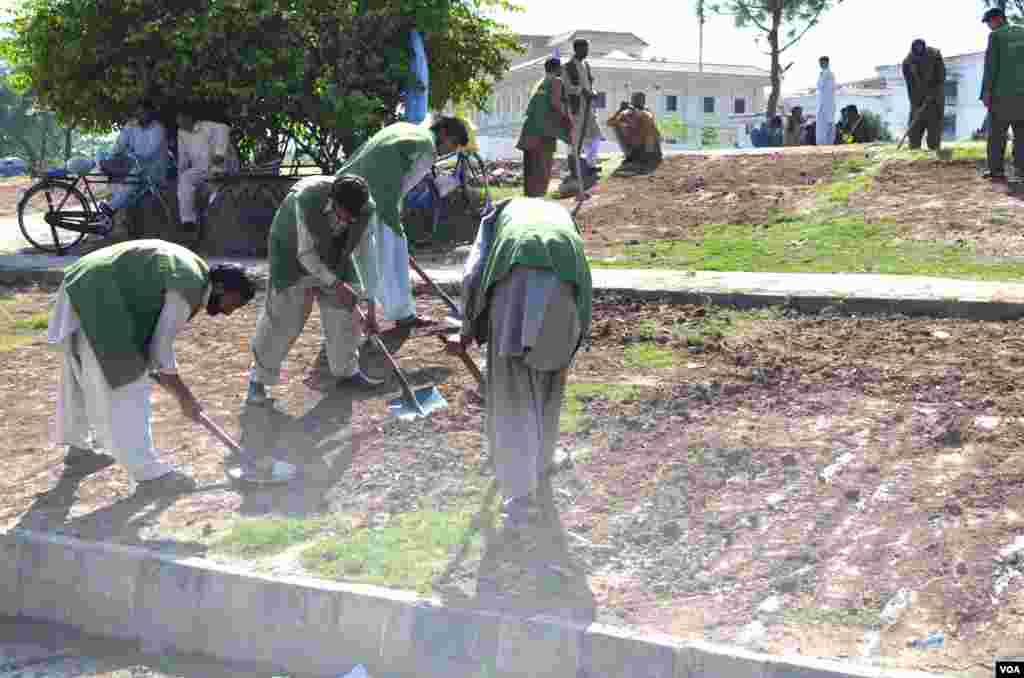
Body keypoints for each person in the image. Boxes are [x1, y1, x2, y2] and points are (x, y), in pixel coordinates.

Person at [47, 240, 256, 492]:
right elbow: (160, 350)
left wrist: (159, 370)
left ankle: (79, 449)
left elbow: (151, 344)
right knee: (129, 387)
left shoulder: (192, 272)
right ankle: (149, 476)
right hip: (100, 297)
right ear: (221, 287)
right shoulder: (187, 287)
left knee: (80, 374)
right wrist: (185, 398)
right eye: (235, 302)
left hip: (84, 283)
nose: (230, 312)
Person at [449, 197, 592, 529]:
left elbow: (474, 272)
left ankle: (520, 500)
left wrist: (467, 330)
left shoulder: (494, 221)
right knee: (550, 387)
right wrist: (575, 337)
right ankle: (540, 462)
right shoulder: (561, 218)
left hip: (515, 294)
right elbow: (584, 282)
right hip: (566, 298)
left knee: (514, 397)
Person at [247, 174, 381, 402]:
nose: (348, 220)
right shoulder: (306, 199)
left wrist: (370, 307)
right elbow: (306, 255)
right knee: (282, 318)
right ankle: (258, 381)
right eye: (344, 214)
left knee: (347, 313)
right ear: (333, 201)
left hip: (336, 255)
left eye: (353, 217)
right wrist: (335, 284)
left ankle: (347, 373)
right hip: (291, 254)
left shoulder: (366, 211)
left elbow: (367, 257)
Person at [335, 116, 468, 327]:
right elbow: (402, 187)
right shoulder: (427, 148)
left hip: (344, 187)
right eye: (453, 144)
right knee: (392, 254)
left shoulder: (405, 129)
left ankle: (348, 313)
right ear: (444, 134)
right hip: (371, 198)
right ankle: (402, 314)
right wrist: (395, 223)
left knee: (357, 257)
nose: (449, 151)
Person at [97, 101, 168, 230]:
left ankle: (111, 208)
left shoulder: (158, 129)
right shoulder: (132, 125)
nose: (140, 115)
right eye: (138, 112)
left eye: (143, 113)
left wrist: (129, 154)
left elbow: (148, 153)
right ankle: (115, 213)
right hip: (137, 166)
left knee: (133, 177)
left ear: (150, 113)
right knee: (119, 174)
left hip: (154, 169)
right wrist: (111, 158)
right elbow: (119, 144)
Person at [176, 109, 240, 235]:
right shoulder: (181, 132)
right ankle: (188, 222)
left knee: (213, 185)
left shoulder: (217, 127)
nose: (178, 122)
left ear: (189, 117)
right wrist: (179, 179)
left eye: (181, 118)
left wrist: (212, 180)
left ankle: (211, 217)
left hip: (223, 169)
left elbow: (220, 157)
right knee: (184, 178)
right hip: (201, 170)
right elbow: (183, 160)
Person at [517, 57, 572, 197]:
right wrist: (569, 116)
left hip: (529, 131)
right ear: (558, 69)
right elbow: (555, 103)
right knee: (542, 171)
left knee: (530, 173)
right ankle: (538, 201)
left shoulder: (541, 82)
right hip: (542, 135)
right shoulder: (556, 81)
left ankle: (530, 201)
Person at [981, 7, 1024, 181]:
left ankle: (996, 170)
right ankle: (1022, 170)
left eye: (989, 23)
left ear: (998, 19)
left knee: (997, 135)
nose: (989, 27)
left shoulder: (996, 36)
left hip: (1003, 95)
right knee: (1022, 134)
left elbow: (991, 66)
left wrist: (986, 92)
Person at [563, 38, 603, 182]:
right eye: (584, 49)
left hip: (589, 107)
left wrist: (593, 92)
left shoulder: (586, 65)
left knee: (596, 136)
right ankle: (574, 169)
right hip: (576, 108)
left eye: (587, 49)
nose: (587, 52)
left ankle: (591, 164)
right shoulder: (567, 67)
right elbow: (566, 87)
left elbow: (590, 85)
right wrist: (582, 91)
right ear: (576, 49)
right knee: (576, 138)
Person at [901, 39, 946, 151]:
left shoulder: (935, 55)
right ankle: (914, 151)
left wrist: (933, 93)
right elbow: (910, 85)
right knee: (914, 131)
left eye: (921, 47)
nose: (919, 50)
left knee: (934, 131)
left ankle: (934, 152)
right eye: (916, 48)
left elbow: (941, 76)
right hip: (917, 100)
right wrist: (915, 102)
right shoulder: (908, 62)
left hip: (934, 100)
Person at [605, 92, 663, 167]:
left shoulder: (646, 113)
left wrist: (626, 113)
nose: (638, 101)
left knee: (648, 126)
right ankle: (631, 155)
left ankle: (639, 155)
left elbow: (646, 119)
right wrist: (620, 110)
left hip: (648, 149)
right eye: (636, 99)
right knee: (616, 125)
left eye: (640, 100)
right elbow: (609, 123)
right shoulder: (627, 112)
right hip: (637, 147)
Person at [816, 56, 836, 146]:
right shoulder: (827, 73)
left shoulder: (826, 73)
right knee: (827, 123)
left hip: (826, 103)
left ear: (826, 63)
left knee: (825, 125)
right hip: (826, 102)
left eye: (822, 63)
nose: (820, 65)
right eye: (820, 63)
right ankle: (826, 142)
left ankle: (824, 143)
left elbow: (820, 85)